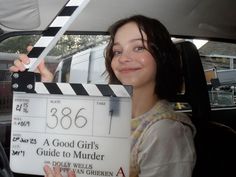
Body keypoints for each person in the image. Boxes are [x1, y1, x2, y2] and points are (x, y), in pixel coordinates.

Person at [10, 15, 196, 177]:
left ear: (162, 55)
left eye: (138, 47)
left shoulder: (165, 132)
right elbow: (62, 135)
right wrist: (42, 90)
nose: (123, 58)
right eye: (117, 51)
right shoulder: (109, 110)